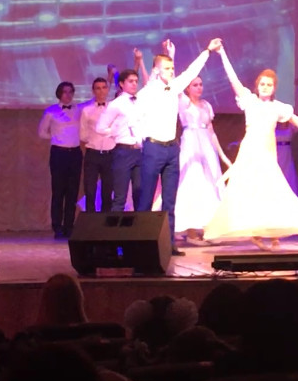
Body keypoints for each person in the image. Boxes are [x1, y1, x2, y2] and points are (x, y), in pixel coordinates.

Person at [203, 40, 298, 251]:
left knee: (272, 191)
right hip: (250, 152)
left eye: (269, 84)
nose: (265, 87)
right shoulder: (249, 100)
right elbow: (233, 78)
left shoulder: (278, 107)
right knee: (251, 191)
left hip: (268, 154)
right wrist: (222, 53)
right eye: (262, 84)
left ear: (274, 88)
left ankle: (272, 233)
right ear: (257, 86)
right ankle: (257, 232)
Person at [135, 39, 215, 255]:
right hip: (153, 148)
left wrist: (207, 51)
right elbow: (135, 117)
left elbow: (191, 72)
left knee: (170, 200)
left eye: (172, 68)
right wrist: (141, 140)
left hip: (171, 149)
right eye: (167, 68)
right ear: (157, 71)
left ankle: (168, 243)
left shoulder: (174, 88)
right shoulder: (147, 92)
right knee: (146, 198)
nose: (171, 71)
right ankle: (140, 244)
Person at [153, 75, 232, 244]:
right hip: (190, 145)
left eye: (200, 84)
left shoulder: (206, 105)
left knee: (209, 185)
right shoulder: (183, 103)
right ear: (187, 88)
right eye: (195, 85)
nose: (199, 87)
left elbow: (211, 132)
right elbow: (174, 83)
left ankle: (207, 228)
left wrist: (222, 156)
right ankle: (191, 231)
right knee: (191, 183)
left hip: (206, 148)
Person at [95, 68, 144, 212]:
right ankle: (115, 226)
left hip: (140, 151)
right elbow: (100, 127)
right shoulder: (116, 104)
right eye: (130, 81)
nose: (134, 84)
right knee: (120, 196)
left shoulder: (140, 102)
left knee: (140, 194)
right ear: (122, 84)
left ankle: (140, 226)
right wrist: (114, 132)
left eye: (136, 81)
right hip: (123, 151)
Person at [37, 81, 82, 239]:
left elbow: (93, 102)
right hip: (59, 154)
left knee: (72, 191)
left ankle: (69, 226)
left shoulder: (79, 109)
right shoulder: (51, 111)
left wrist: (110, 78)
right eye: (65, 92)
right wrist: (57, 137)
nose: (68, 95)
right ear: (59, 94)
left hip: (75, 153)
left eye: (70, 92)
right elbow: (41, 132)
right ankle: (57, 226)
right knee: (58, 191)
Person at [78, 77, 115, 212]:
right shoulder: (87, 110)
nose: (101, 91)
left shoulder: (114, 109)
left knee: (107, 191)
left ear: (108, 89)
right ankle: (90, 221)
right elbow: (83, 134)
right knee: (90, 191)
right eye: (98, 88)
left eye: (104, 87)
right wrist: (95, 138)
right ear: (93, 91)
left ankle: (105, 223)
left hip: (110, 154)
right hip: (93, 154)